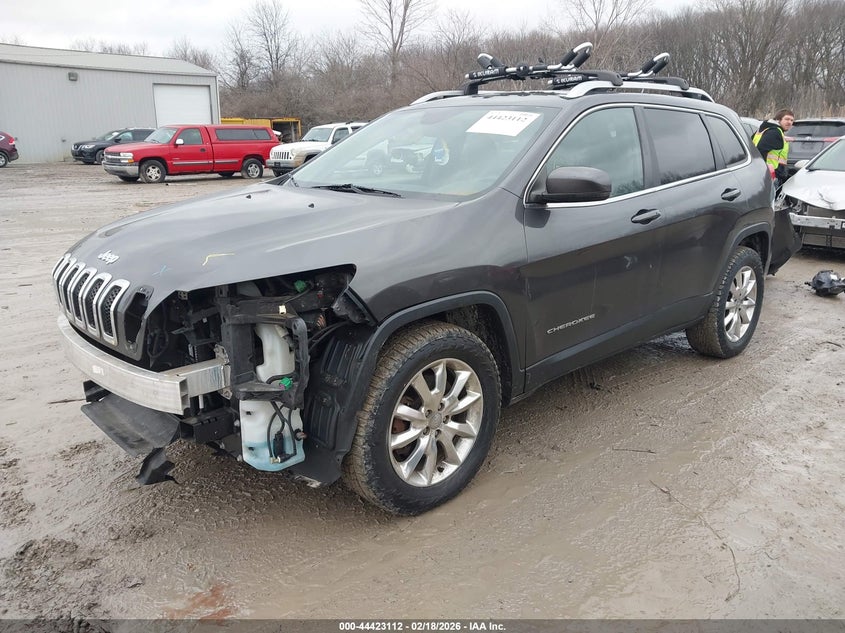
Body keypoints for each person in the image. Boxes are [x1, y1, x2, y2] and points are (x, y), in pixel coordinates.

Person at [752, 109, 794, 190]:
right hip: (769, 175)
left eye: (792, 120)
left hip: (760, 172)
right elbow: (761, 150)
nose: (789, 122)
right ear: (778, 120)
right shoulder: (775, 132)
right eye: (787, 119)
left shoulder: (766, 129)